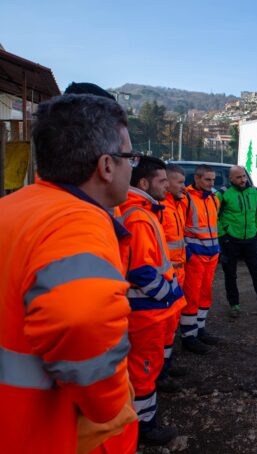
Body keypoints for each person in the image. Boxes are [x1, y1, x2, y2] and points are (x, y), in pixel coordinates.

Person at [0, 94, 138, 452]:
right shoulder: (78, 220)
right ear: (107, 166)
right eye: (130, 157)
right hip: (44, 434)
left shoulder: (12, 207)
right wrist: (108, 404)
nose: (132, 168)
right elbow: (81, 317)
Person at [118, 156, 183, 445]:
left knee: (146, 368)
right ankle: (145, 428)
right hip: (147, 313)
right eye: (161, 180)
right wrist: (168, 294)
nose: (166, 185)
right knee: (143, 371)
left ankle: (143, 422)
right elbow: (142, 271)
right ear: (144, 183)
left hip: (150, 311)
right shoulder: (139, 216)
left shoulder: (144, 211)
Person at [217, 166, 257, 318]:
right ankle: (234, 305)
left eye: (244, 176)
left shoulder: (254, 193)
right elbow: (215, 217)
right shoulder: (223, 194)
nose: (243, 179)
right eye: (238, 177)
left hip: (250, 239)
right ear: (231, 178)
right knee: (230, 274)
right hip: (230, 240)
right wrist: (223, 236)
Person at [180, 164, 221, 354]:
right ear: (197, 179)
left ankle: (200, 329)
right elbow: (177, 228)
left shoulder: (213, 198)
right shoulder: (185, 199)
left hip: (211, 255)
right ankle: (188, 336)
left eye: (213, 179)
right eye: (207, 179)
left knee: (205, 294)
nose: (211, 183)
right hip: (195, 256)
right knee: (192, 296)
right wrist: (187, 252)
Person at [157, 164, 190, 388]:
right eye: (180, 182)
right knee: (163, 327)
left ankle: (165, 367)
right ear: (167, 183)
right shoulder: (160, 209)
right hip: (167, 275)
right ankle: (159, 374)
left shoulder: (177, 206)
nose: (184, 187)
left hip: (179, 272)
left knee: (172, 325)